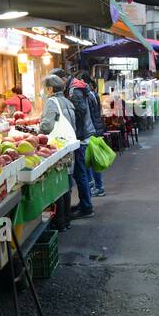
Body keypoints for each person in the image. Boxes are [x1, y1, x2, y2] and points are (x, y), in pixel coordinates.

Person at [39, 75, 92, 218]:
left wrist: (37, 132)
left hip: (58, 147)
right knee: (66, 179)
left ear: (49, 89)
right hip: (69, 145)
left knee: (58, 181)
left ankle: (60, 219)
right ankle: (65, 218)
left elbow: (47, 126)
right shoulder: (67, 101)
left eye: (45, 88)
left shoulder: (51, 102)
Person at [63, 71, 97, 217]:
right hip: (84, 135)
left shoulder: (74, 90)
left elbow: (80, 111)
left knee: (80, 174)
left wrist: (72, 129)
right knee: (81, 174)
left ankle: (86, 208)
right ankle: (85, 204)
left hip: (81, 137)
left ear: (62, 78)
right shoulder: (77, 87)